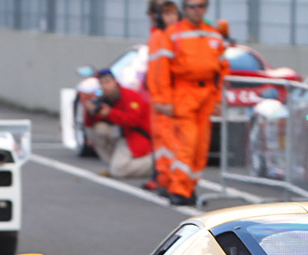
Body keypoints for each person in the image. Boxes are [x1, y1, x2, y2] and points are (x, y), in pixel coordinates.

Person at [166, 0, 228, 205]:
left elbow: (222, 69)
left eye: (201, 6)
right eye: (192, 6)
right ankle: (178, 188)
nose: (196, 10)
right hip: (184, 92)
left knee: (201, 147)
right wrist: (164, 98)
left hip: (207, 94)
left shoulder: (213, 34)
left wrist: (218, 98)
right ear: (185, 9)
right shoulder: (174, 34)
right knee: (186, 145)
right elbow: (161, 70)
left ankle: (189, 187)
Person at [85, 69, 154, 178]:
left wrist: (110, 113)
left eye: (107, 82)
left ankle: (154, 164)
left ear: (115, 81)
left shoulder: (130, 96)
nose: (105, 86)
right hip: (123, 136)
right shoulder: (103, 99)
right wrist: (89, 112)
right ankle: (115, 165)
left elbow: (133, 120)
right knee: (98, 130)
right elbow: (89, 125)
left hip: (137, 137)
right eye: (101, 83)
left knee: (119, 171)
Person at [145, 1, 180, 197]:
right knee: (164, 145)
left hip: (171, 99)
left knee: (172, 146)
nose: (171, 18)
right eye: (166, 14)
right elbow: (155, 73)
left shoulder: (172, 37)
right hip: (161, 99)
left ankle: (171, 183)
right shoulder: (159, 37)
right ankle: (165, 182)